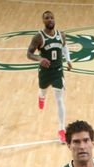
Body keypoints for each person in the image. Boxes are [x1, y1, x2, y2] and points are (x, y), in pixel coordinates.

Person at [27, 11, 72, 143]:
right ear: (43, 21)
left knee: (59, 100)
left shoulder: (61, 34)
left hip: (58, 71)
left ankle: (61, 130)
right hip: (45, 71)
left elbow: (65, 47)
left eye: (52, 17)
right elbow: (29, 54)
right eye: (47, 18)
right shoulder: (38, 37)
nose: (50, 20)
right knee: (42, 90)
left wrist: (68, 60)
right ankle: (41, 96)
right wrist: (39, 58)